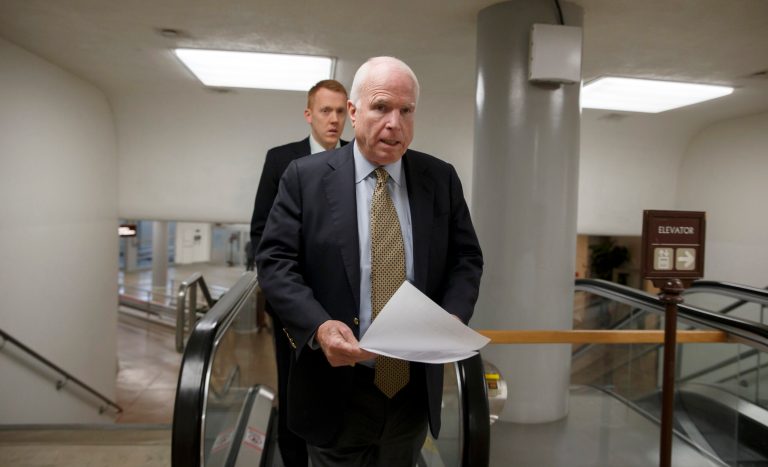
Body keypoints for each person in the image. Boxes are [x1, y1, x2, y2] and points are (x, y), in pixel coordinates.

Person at [256, 57, 483, 466]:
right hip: (336, 384)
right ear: (355, 112)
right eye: (381, 107)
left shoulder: (440, 178)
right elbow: (274, 261)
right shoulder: (303, 178)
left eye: (406, 110)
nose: (394, 122)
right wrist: (319, 326)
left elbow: (466, 258)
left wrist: (450, 318)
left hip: (411, 388)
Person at [248, 79, 348, 467]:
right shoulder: (281, 160)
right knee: (294, 386)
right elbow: (262, 231)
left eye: (341, 111)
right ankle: (294, 460)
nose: (334, 119)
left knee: (339, 384)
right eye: (326, 110)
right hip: (293, 302)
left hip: (342, 301)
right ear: (309, 115)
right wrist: (282, 292)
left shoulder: (358, 159)